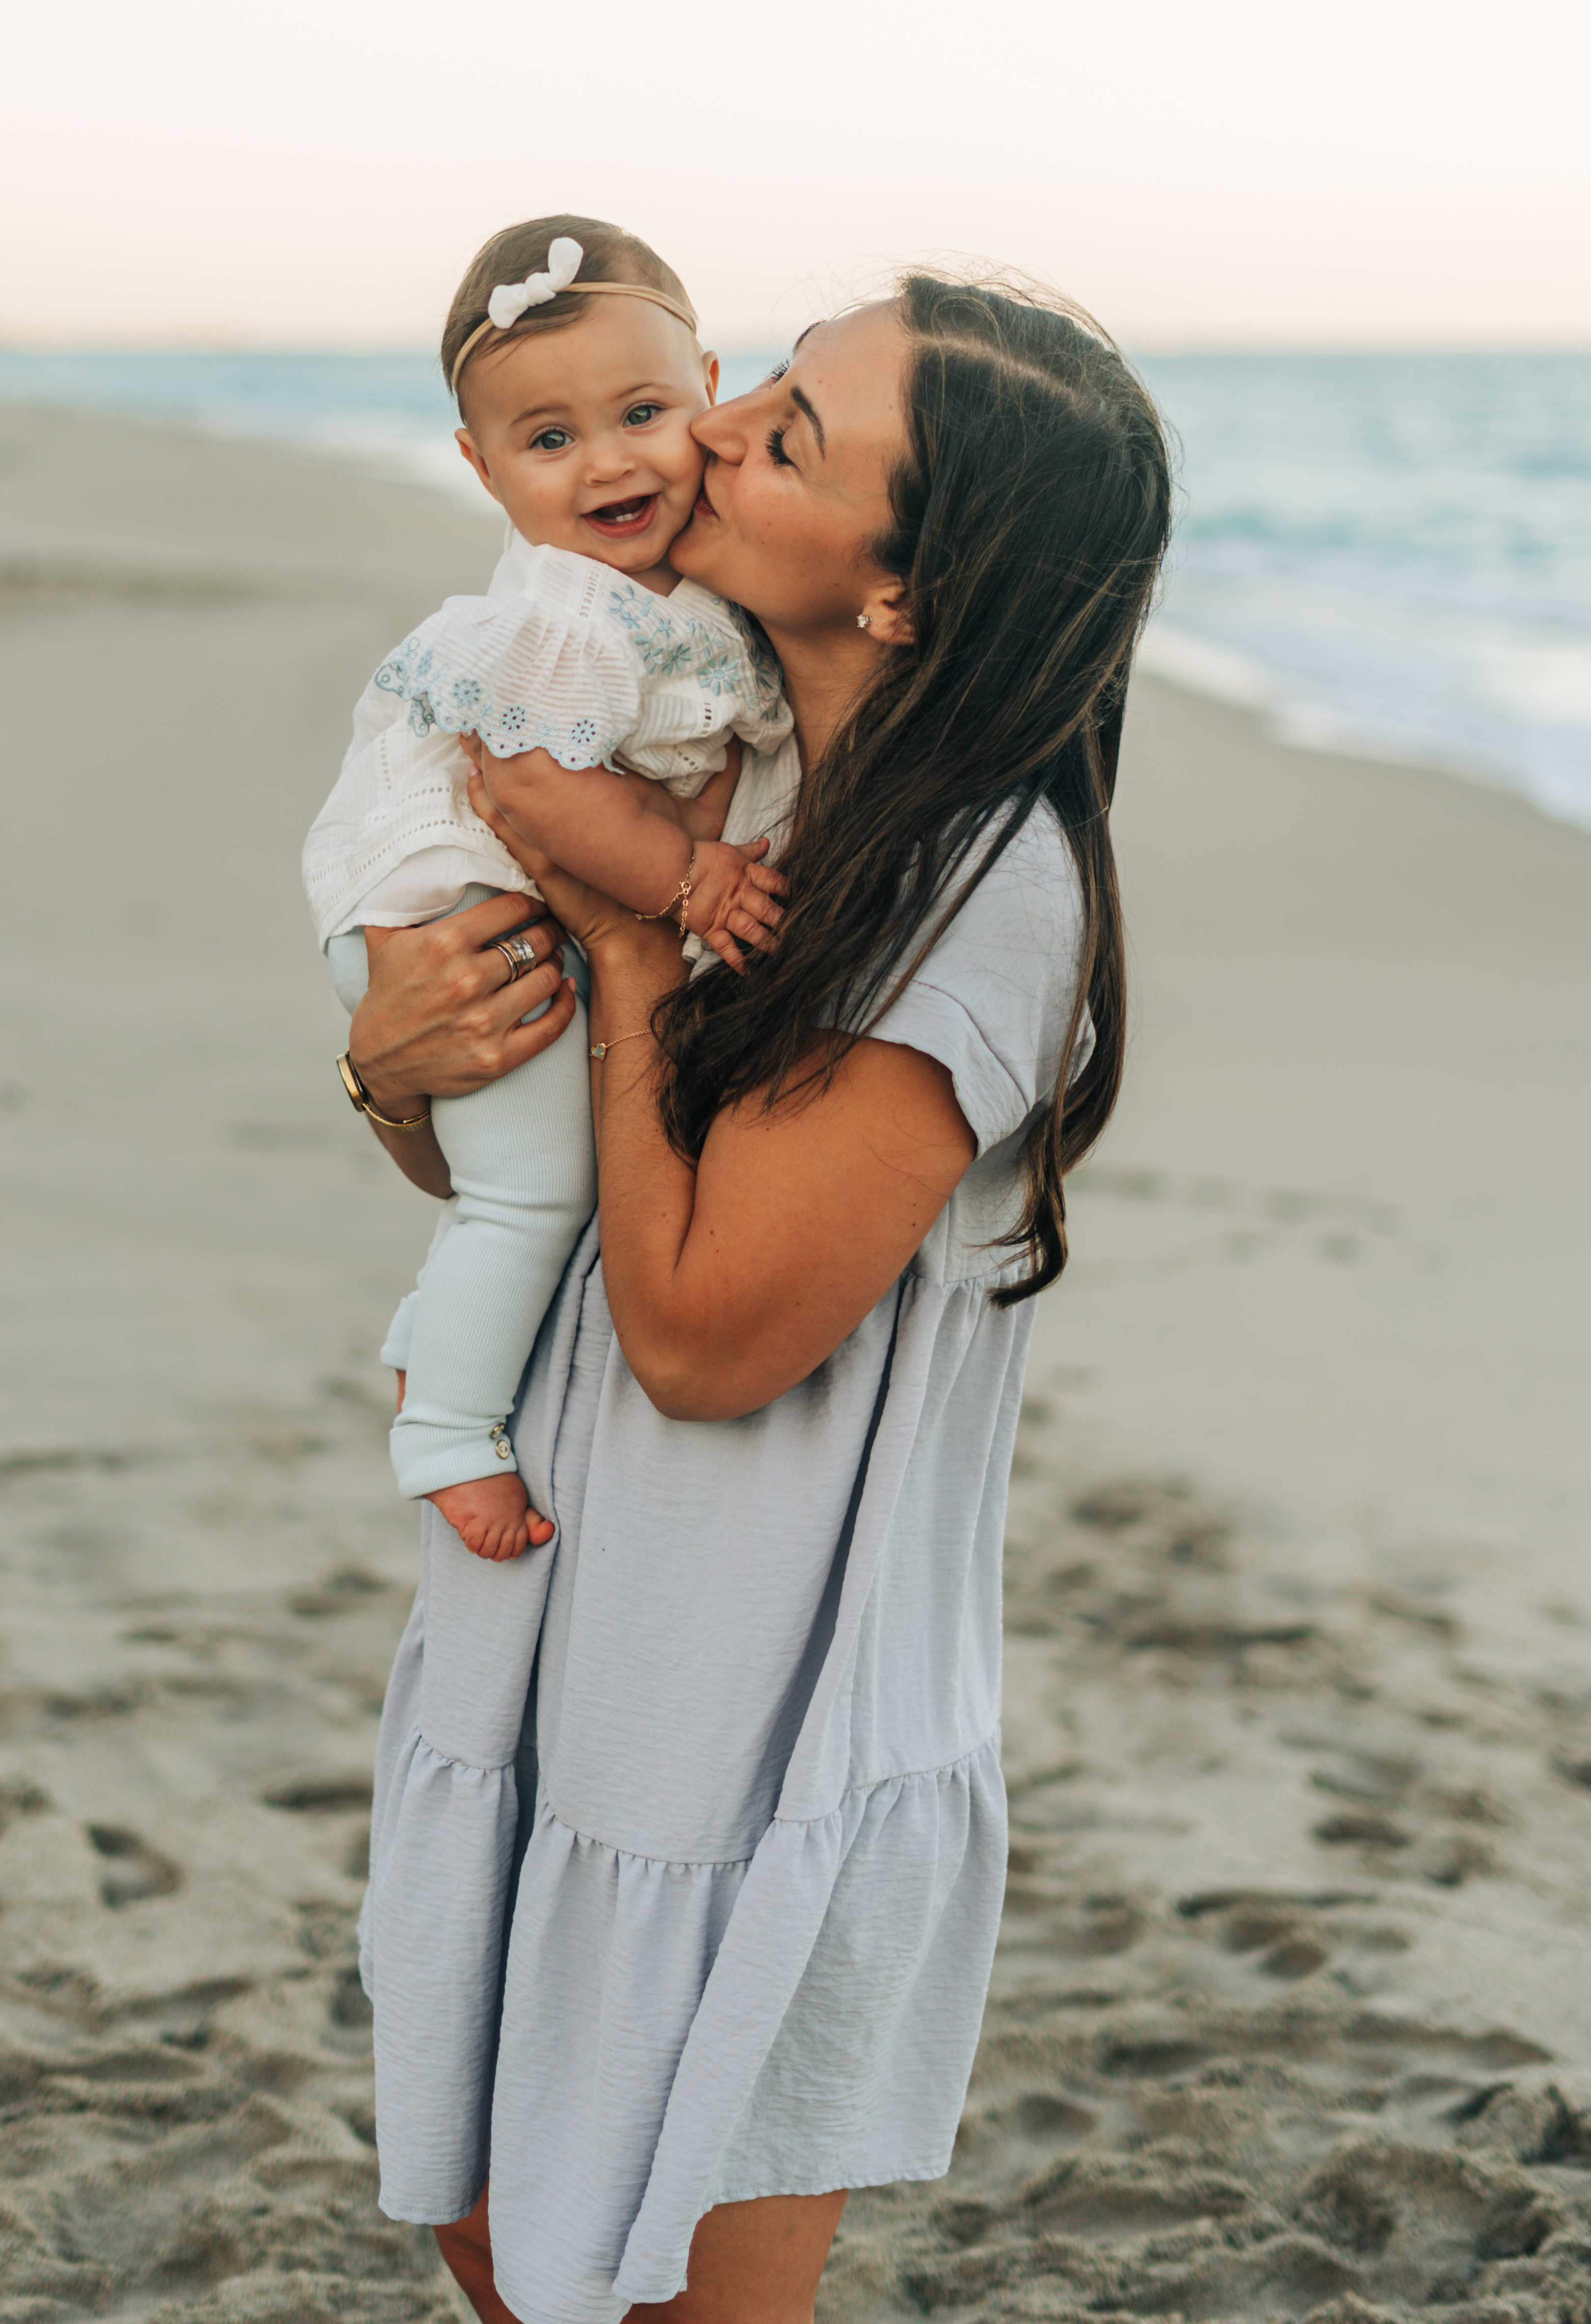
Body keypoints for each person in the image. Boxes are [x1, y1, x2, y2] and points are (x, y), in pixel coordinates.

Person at [336, 273, 1172, 2324]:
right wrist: (394, 1065)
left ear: (903, 591)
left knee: (659, 2292)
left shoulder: (980, 885)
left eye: (788, 437)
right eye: (767, 385)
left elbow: (705, 1334)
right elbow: (526, 1186)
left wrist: (630, 962)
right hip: (567, 1599)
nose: (707, 433)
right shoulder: (718, 748)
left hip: (742, 1697)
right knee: (496, 2234)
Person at [306, 218, 793, 1564]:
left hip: (480, 914)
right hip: (444, 917)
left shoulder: (666, 586)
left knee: (521, 1181)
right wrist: (691, 877)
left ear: (709, 382)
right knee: (533, 1194)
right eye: (550, 440)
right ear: (480, 465)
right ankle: (449, 1433)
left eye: (643, 412)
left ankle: (425, 1337)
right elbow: (536, 786)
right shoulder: (569, 611)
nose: (610, 463)